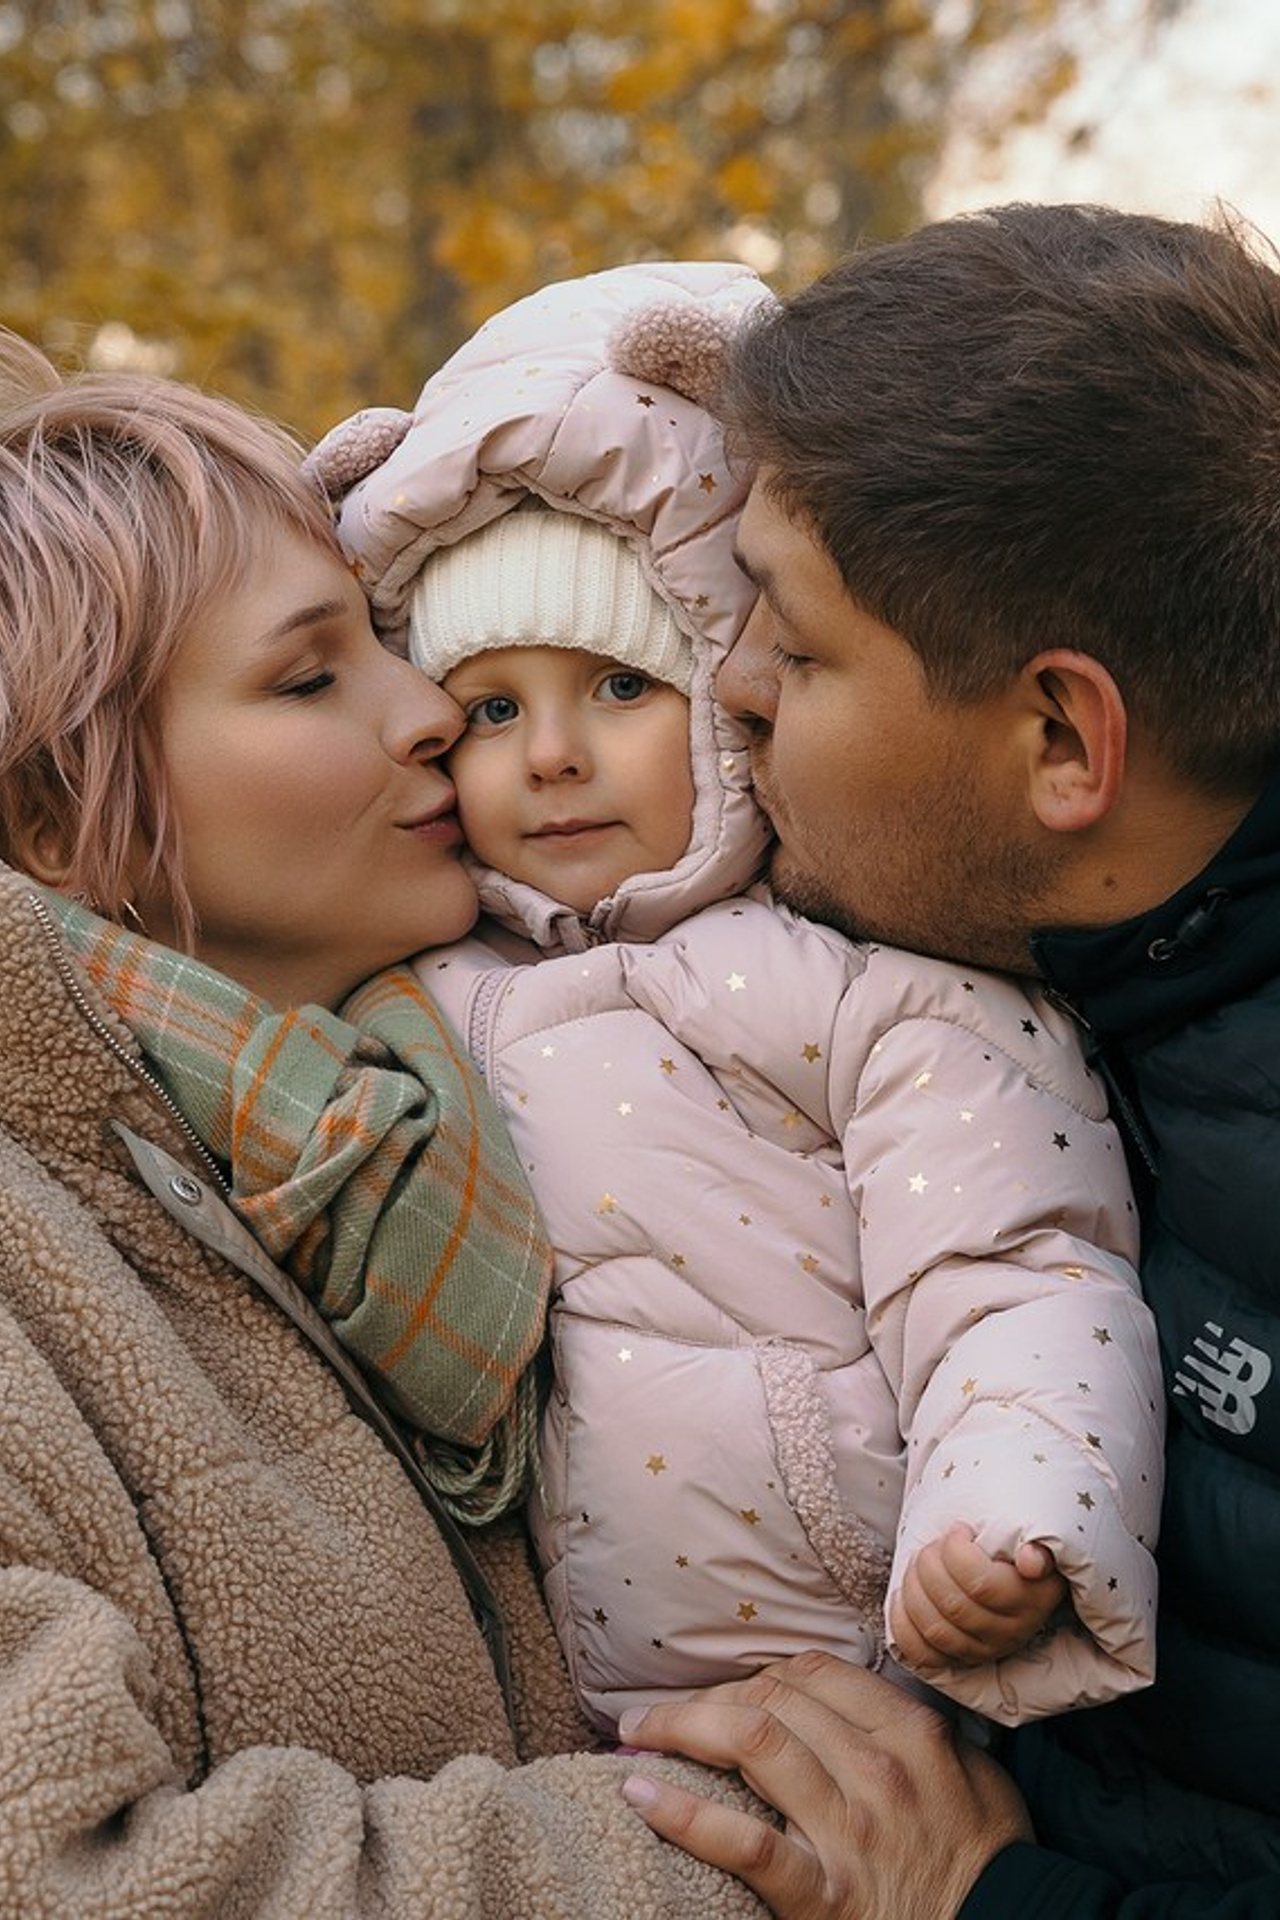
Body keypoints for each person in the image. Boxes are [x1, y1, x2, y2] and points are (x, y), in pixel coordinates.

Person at [313, 261, 1164, 1739]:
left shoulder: (864, 987)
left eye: (620, 688)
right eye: (494, 708)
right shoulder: (421, 995)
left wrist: (1014, 1514)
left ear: (728, 686)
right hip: (589, 1713)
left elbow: (1016, 1266)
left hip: (887, 1664)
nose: (551, 756)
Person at [0, 325, 775, 1914]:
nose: (432, 709)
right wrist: (747, 1847)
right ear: (54, 818)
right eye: (310, 674)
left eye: (384, 639)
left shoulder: (502, 1079)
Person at [609, 203, 1280, 1915]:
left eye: (799, 641)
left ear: (1062, 739)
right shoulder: (1062, 984)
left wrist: (977, 1900)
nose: (730, 687)